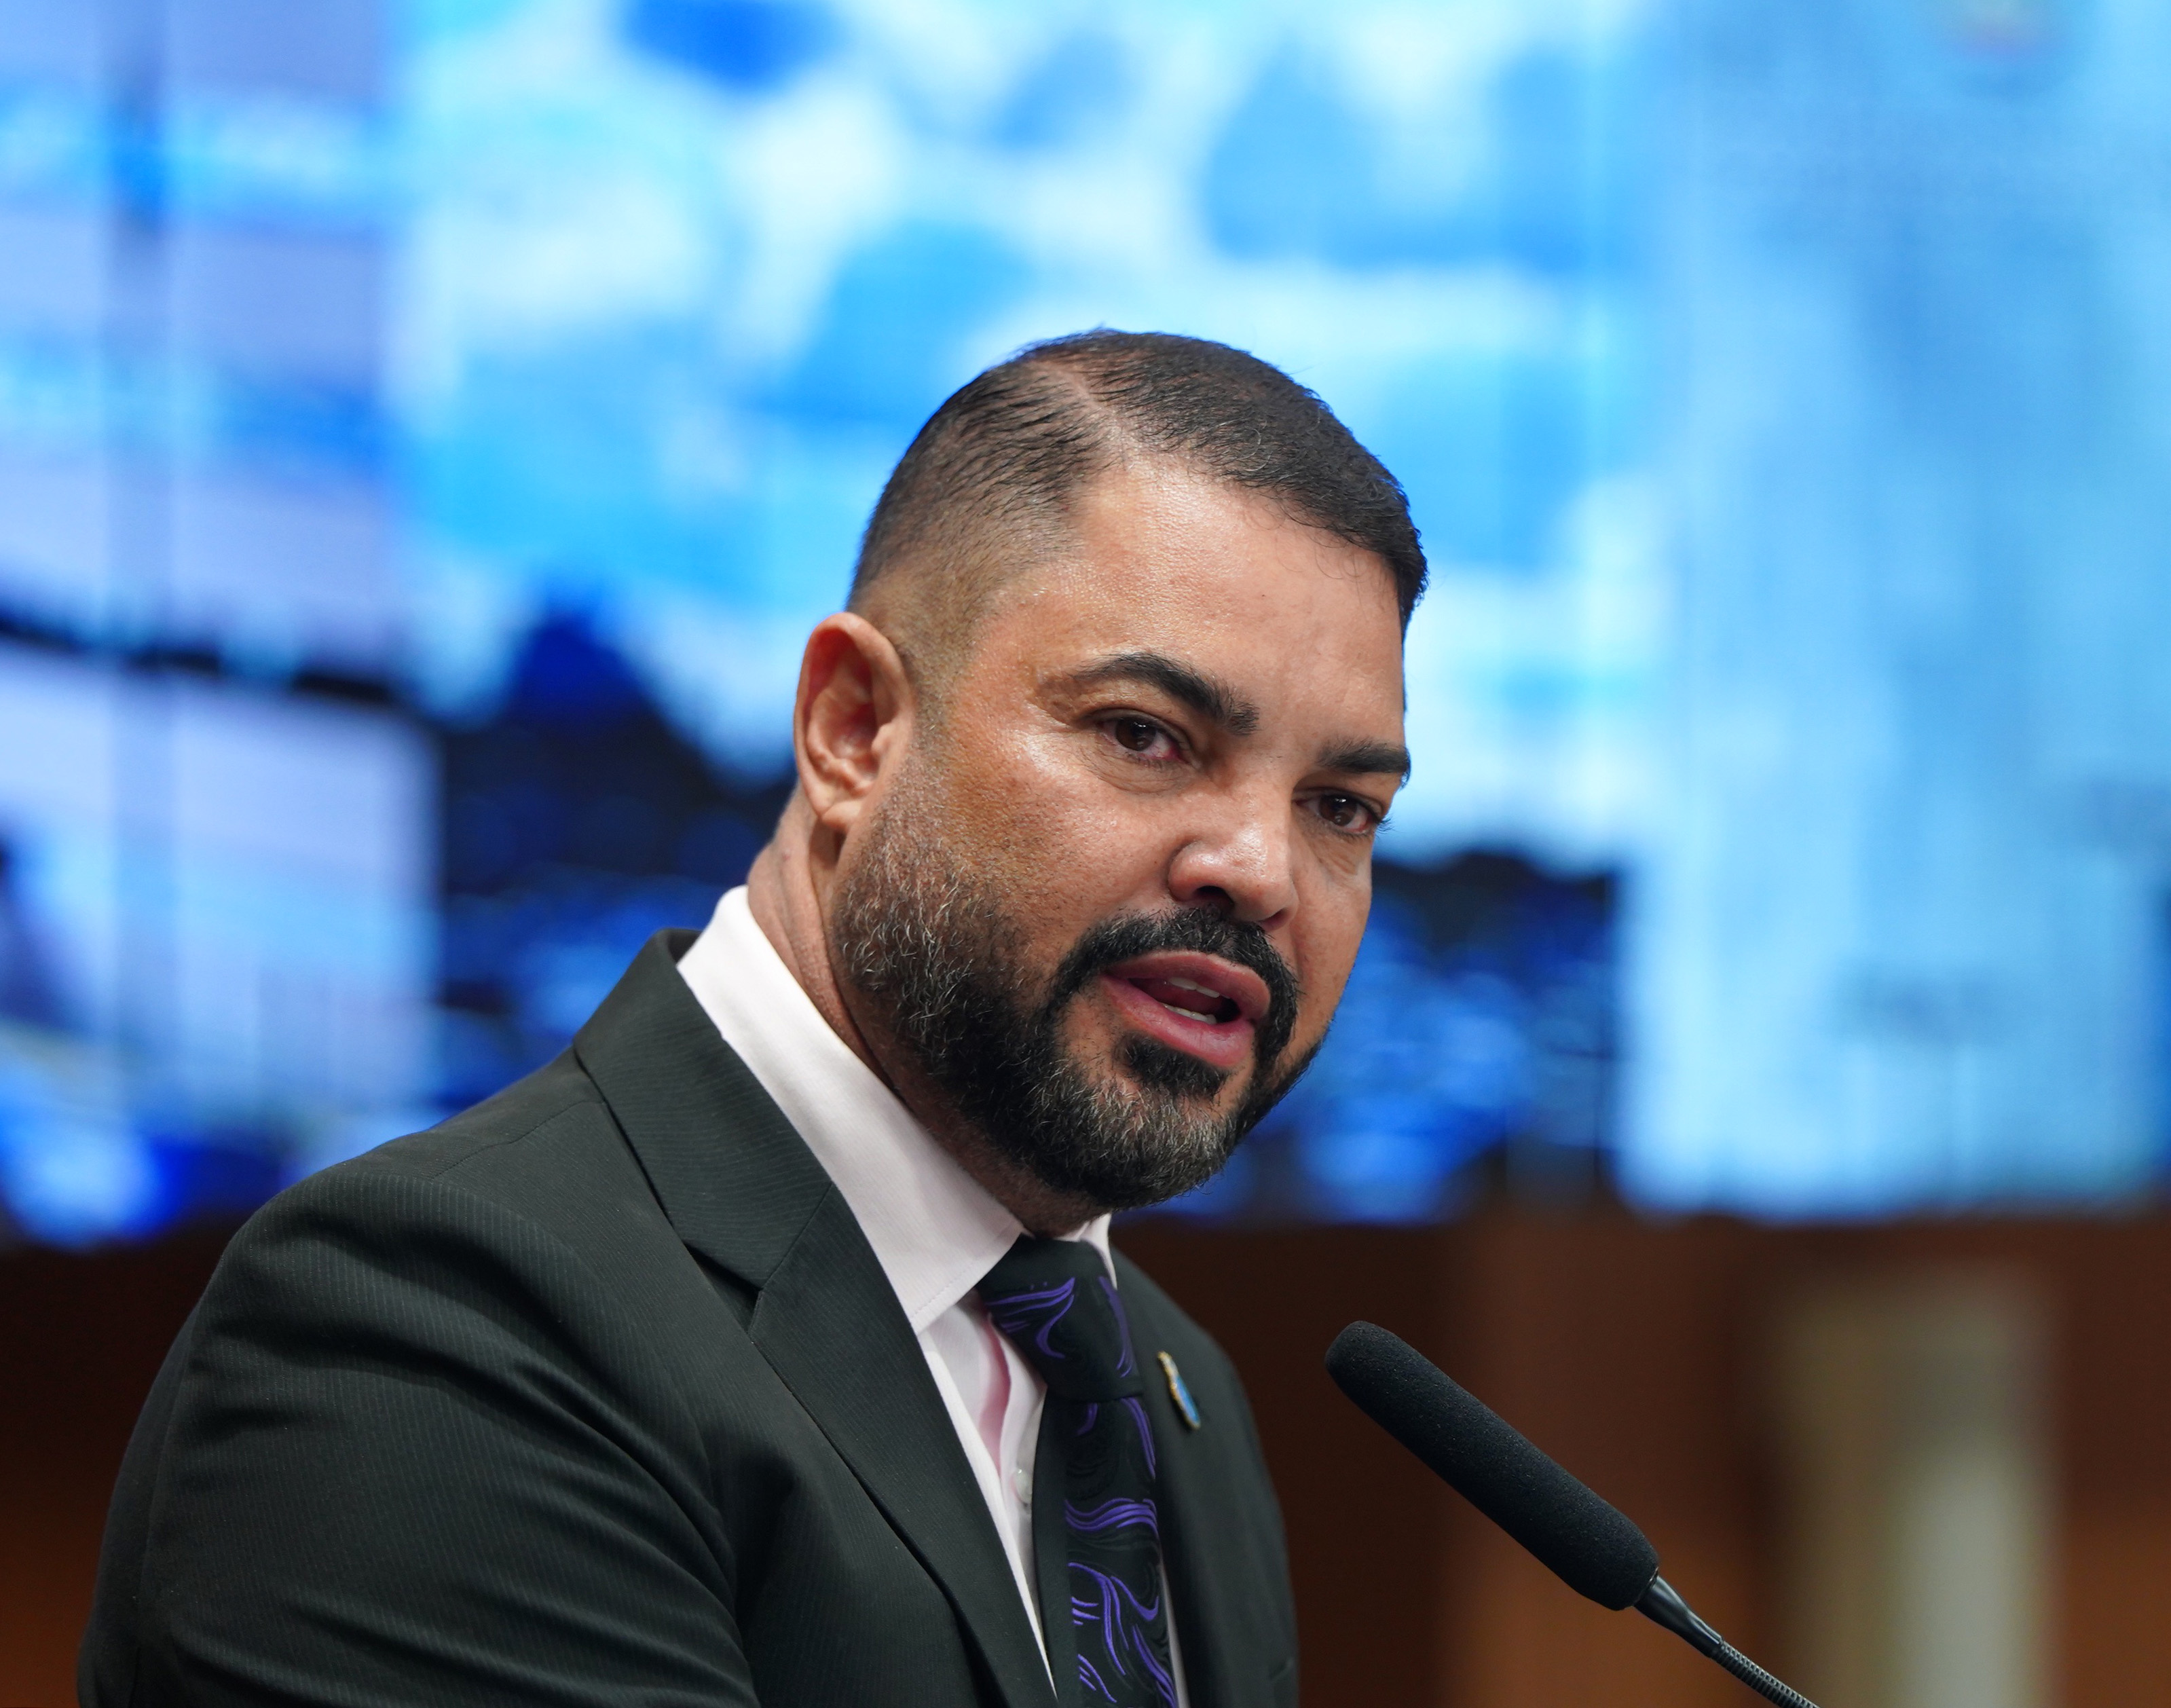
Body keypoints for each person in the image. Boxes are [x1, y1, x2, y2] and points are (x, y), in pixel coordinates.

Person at [79, 331, 1424, 1708]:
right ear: (854, 730)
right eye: (1145, 733)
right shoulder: (431, 1326)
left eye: (1340, 807)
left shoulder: (1171, 1389)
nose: (1261, 870)